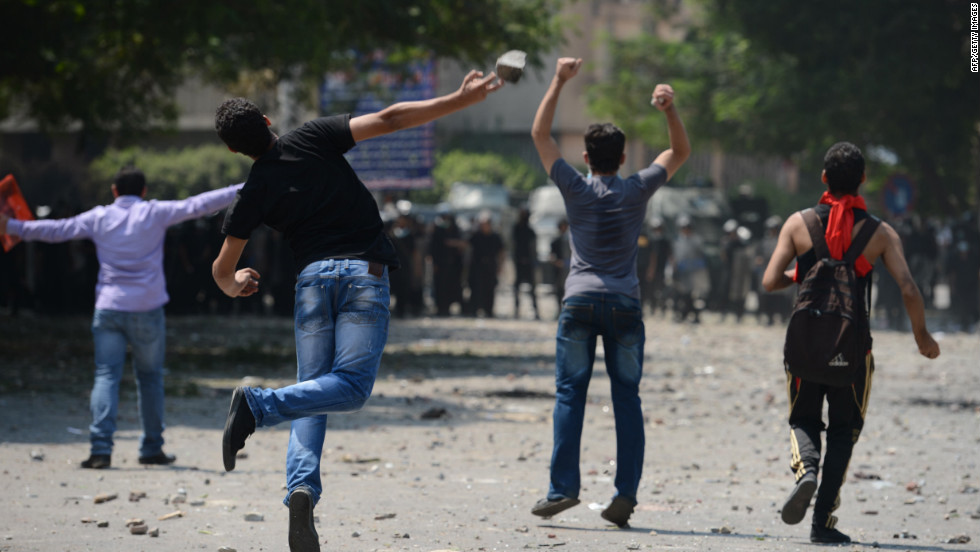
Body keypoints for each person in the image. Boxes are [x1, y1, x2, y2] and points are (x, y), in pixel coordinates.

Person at [211, 70, 502, 552]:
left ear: (234, 150)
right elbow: (390, 117)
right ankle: (257, 405)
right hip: (363, 276)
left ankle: (301, 490)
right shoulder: (312, 136)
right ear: (267, 120)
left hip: (312, 283)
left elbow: (222, 270)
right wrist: (459, 98)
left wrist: (237, 283)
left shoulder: (254, 189)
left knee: (313, 392)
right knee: (349, 389)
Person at [529, 57, 689, 528]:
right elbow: (678, 152)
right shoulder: (637, 189)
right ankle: (625, 493)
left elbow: (540, 135)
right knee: (627, 399)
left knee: (569, 394)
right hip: (623, 305)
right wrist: (668, 110)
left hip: (578, 302)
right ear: (622, 159)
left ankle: (562, 488)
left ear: (586, 158)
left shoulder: (574, 189)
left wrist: (558, 81)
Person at [0, 167, 242, 469]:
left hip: (109, 308)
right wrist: (248, 185)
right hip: (147, 309)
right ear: (143, 191)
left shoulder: (99, 217)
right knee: (151, 379)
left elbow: (56, 230)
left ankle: (100, 450)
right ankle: (152, 448)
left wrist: (11, 225)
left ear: (114, 191)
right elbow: (200, 204)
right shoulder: (155, 213)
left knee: (106, 376)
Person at [762, 141, 941, 544]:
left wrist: (802, 275)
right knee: (844, 431)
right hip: (853, 351)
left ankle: (805, 470)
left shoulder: (798, 223)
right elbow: (909, 288)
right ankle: (822, 522)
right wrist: (922, 338)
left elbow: (769, 281)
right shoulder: (880, 232)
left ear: (824, 178)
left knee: (803, 420)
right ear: (862, 181)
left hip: (805, 348)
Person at [465, 212, 505, 317]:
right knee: (476, 288)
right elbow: (466, 245)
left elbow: (501, 252)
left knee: (490, 289)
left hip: (490, 266)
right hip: (477, 267)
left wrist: (500, 266)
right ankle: (474, 309)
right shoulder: (476, 236)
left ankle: (489, 310)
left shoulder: (496, 237)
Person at [512, 207, 540, 319]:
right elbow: (513, 246)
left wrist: (533, 261)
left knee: (532, 289)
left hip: (529, 263)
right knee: (517, 288)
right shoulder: (516, 229)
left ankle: (535, 310)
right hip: (518, 262)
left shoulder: (530, 231)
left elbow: (533, 248)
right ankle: (516, 310)